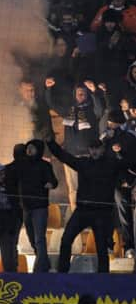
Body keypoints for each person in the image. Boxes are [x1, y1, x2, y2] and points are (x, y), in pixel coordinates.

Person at [48, 138, 127, 273]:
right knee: (66, 239)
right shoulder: (84, 163)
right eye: (92, 148)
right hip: (83, 210)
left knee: (102, 248)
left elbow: (127, 164)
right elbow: (64, 157)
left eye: (97, 148)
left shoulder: (111, 164)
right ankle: (62, 273)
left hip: (102, 212)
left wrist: (120, 152)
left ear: (102, 149)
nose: (94, 151)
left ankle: (103, 278)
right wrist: (50, 143)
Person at [45, 79, 103, 214]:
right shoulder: (68, 109)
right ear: (74, 94)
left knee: (91, 187)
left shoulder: (92, 109)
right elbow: (51, 104)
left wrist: (94, 92)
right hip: (71, 155)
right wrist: (48, 89)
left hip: (89, 156)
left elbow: (100, 110)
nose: (80, 95)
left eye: (83, 93)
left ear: (87, 94)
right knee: (73, 188)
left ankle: (91, 216)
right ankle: (77, 215)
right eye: (78, 93)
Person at [18, 140, 58, 273]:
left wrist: (50, 184)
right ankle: (43, 262)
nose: (29, 150)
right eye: (28, 148)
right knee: (31, 237)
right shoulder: (22, 165)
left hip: (39, 207)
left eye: (32, 148)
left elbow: (53, 181)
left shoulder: (44, 166)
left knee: (39, 237)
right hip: (26, 207)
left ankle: (40, 268)